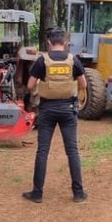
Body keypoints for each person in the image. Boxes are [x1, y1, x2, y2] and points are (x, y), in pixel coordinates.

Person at [22, 27, 88, 203]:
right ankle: (79, 193)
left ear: (49, 43)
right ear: (65, 43)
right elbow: (83, 84)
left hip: (47, 110)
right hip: (68, 109)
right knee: (72, 151)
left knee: (42, 151)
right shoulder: (73, 60)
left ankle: (37, 193)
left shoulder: (42, 60)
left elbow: (30, 85)